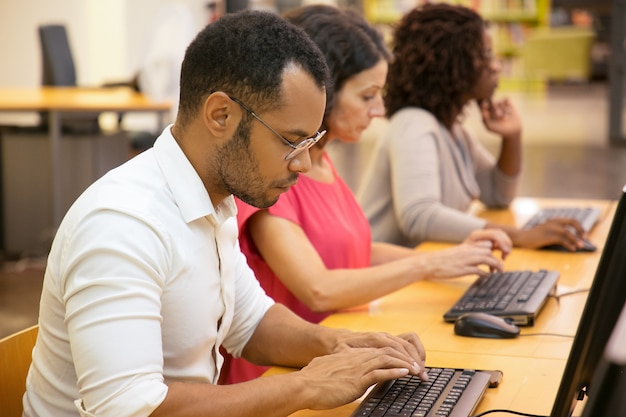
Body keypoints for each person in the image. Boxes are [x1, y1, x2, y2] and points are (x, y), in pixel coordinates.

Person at [22, 11, 430, 417]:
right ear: (221, 115)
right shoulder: (123, 223)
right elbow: (128, 407)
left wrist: (341, 346)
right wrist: (309, 384)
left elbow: (251, 323)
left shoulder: (214, 197)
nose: (304, 165)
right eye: (291, 141)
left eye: (311, 141)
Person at [222, 4, 512, 384]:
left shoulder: (322, 162)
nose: (379, 110)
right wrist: (425, 266)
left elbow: (352, 249)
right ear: (319, 93)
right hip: (283, 376)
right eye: (367, 96)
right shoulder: (275, 177)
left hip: (338, 359)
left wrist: (450, 260)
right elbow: (319, 288)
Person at [357, 2, 589, 252]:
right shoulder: (413, 125)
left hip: (418, 272)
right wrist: (518, 236)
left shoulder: (452, 130)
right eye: (486, 55)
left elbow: (496, 196)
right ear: (452, 63)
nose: (496, 66)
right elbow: (419, 217)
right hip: (385, 287)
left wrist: (512, 137)